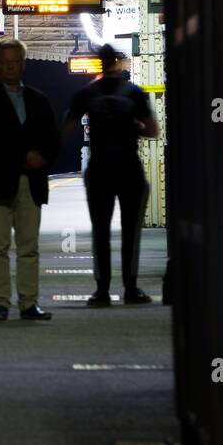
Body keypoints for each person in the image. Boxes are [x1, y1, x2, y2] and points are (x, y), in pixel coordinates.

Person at [0, 38, 61, 321]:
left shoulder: (38, 99)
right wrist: (28, 154)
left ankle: (29, 303)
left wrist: (43, 157)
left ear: (23, 63)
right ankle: (1, 303)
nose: (9, 67)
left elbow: (52, 136)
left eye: (15, 61)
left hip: (30, 182)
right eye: (4, 62)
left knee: (28, 246)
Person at [62, 43, 160, 306]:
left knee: (100, 231)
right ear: (119, 63)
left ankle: (102, 290)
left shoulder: (86, 93)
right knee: (131, 231)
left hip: (99, 171)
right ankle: (131, 288)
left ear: (99, 63)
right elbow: (153, 131)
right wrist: (132, 126)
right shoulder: (134, 93)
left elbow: (66, 128)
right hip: (129, 169)